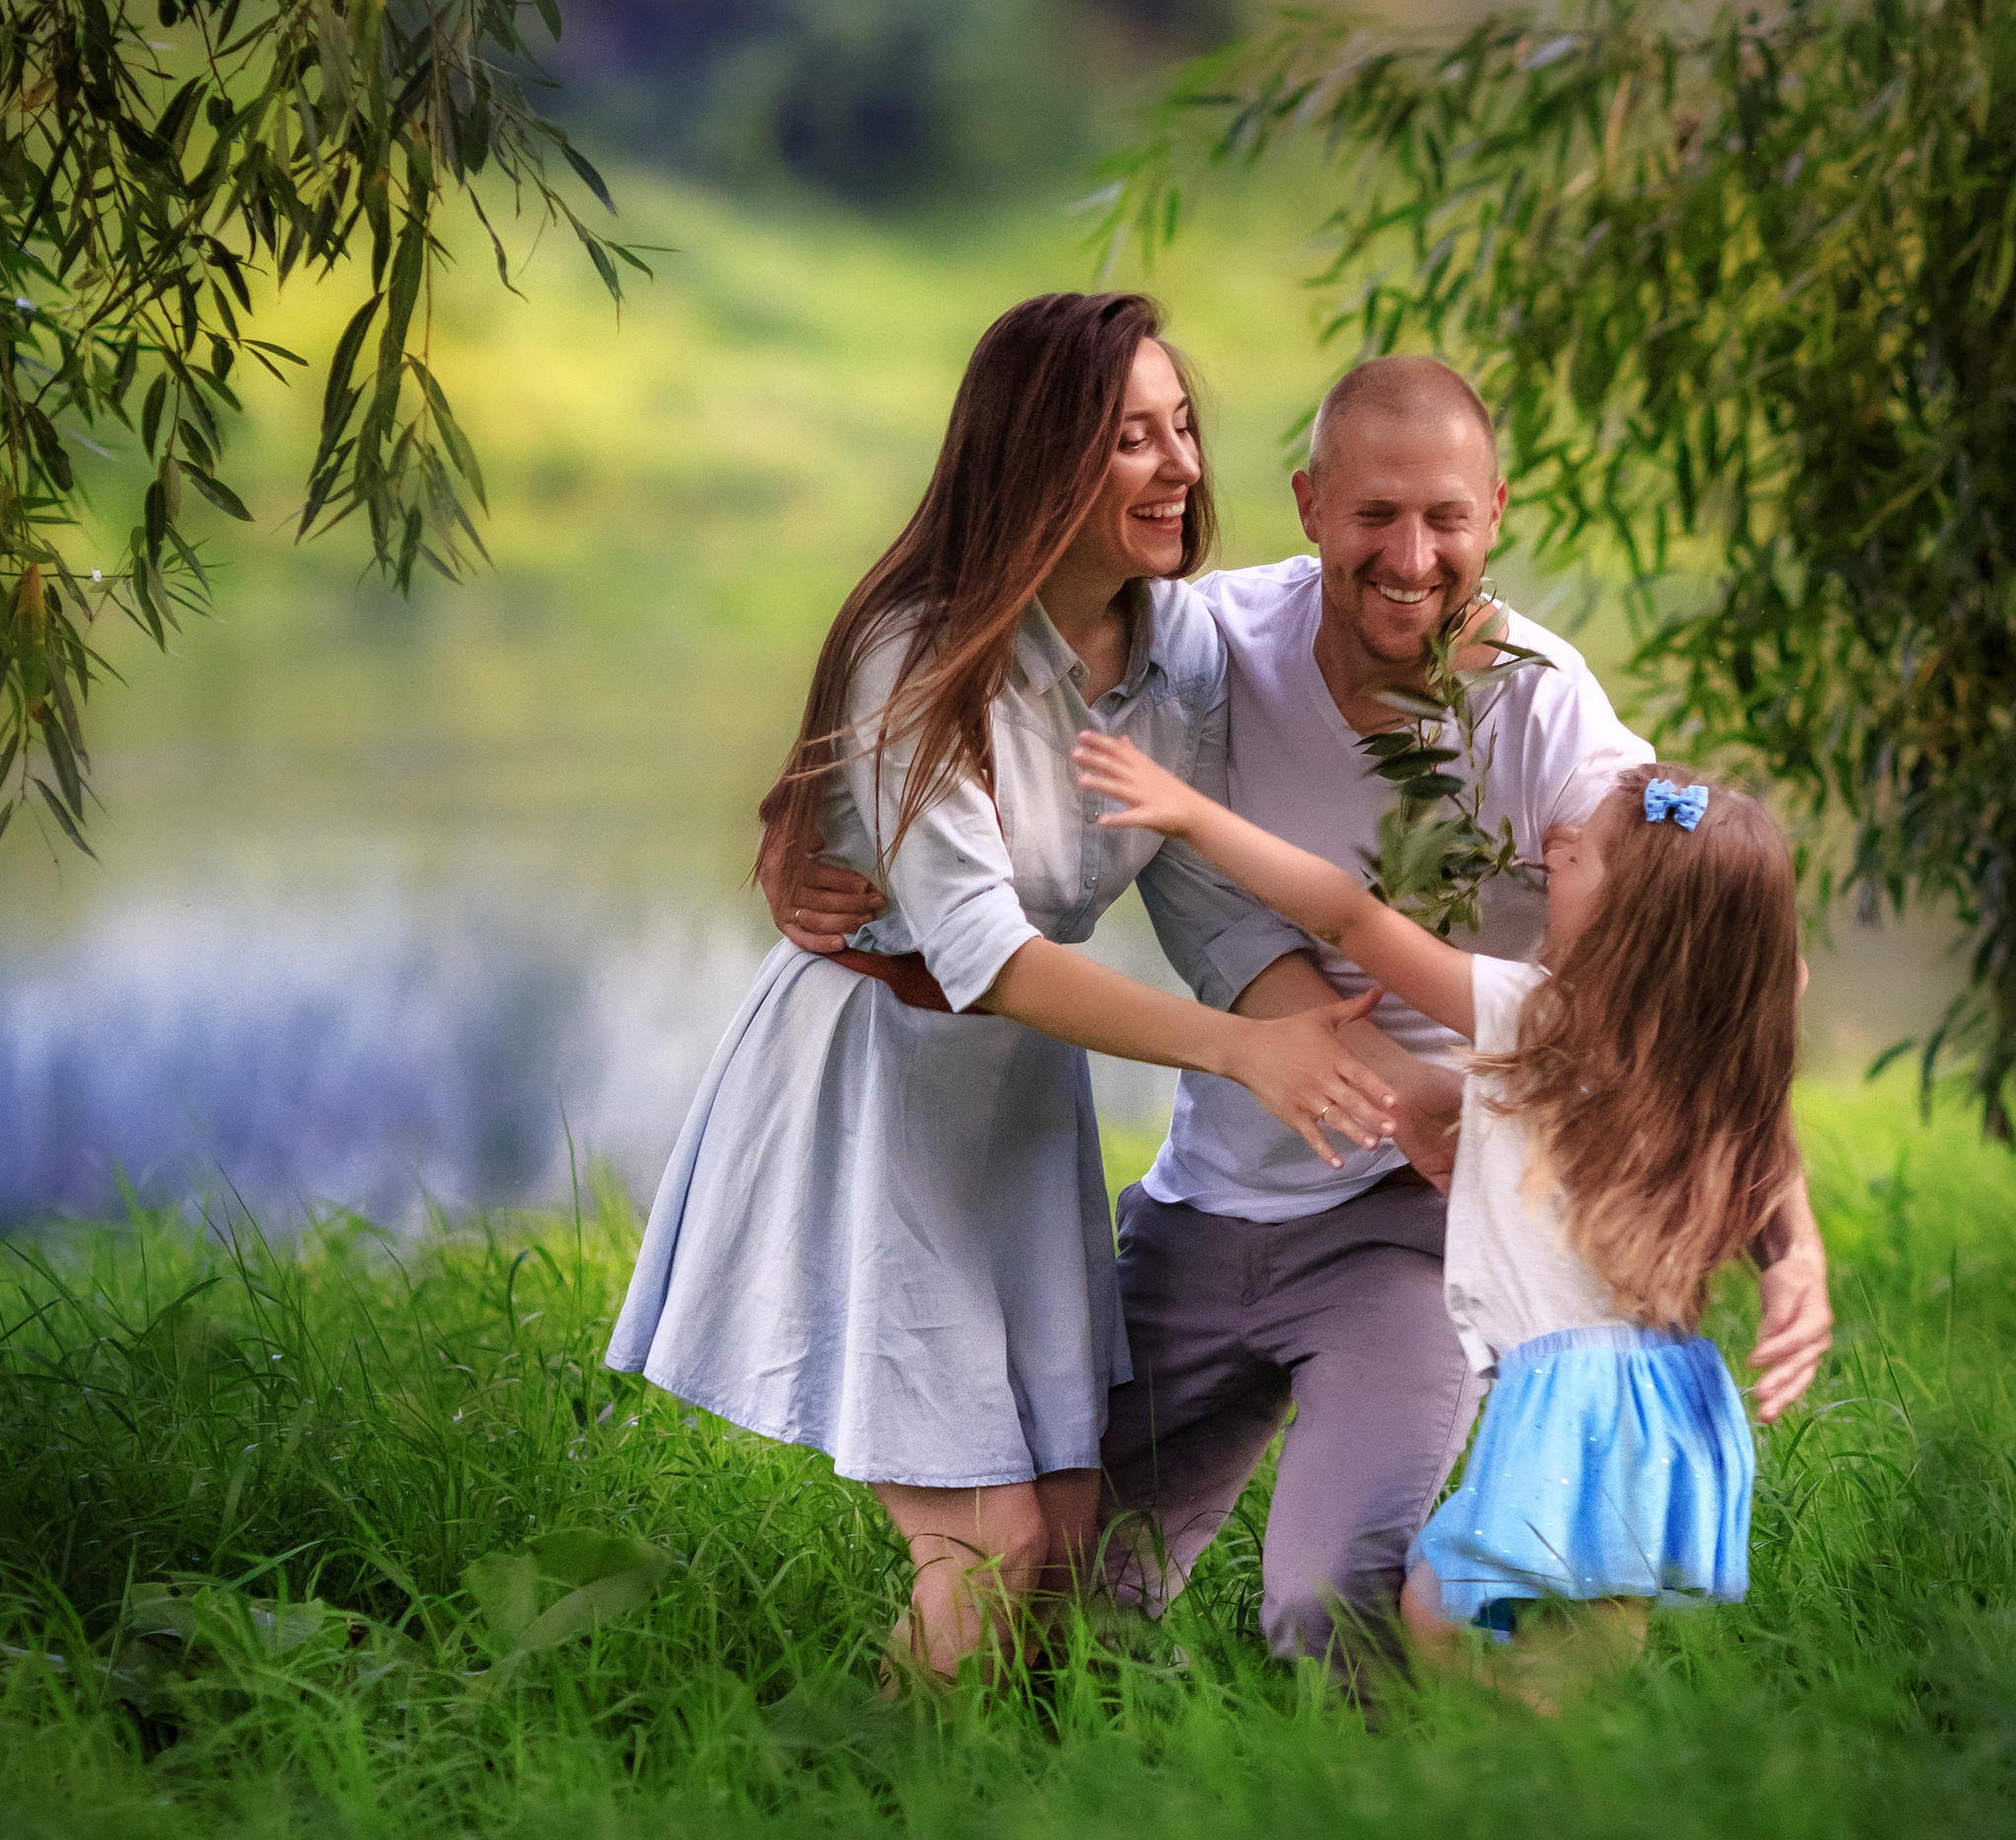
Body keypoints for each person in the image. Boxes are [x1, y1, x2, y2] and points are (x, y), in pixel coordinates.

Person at [773, 351, 1834, 1678]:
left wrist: (1790, 1243)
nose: (1411, 555)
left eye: (1446, 517)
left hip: (1408, 1225)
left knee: (1331, 1604)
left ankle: (1425, 1832)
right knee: (1049, 1599)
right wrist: (828, 854)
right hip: (1210, 1200)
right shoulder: (1206, 646)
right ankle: (884, 1780)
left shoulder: (1539, 709)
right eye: (1375, 515)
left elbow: (1725, 979)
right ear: (1310, 504)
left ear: (1494, 512)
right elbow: (995, 687)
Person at [605, 293, 1396, 1681]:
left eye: (1184, 429)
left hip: (1017, 1103)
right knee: (988, 1554)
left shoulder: (1179, 648)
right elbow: (985, 956)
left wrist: (1361, 1075)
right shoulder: (919, 649)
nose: (1180, 468)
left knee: (1073, 1548)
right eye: (1130, 440)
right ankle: (832, 1812)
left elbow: (1207, 907)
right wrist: (1236, 1055)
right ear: (1040, 458)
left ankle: (1002, 1822)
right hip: (877, 1083)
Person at [1071, 730, 1801, 1705]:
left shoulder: (1534, 1014)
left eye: (1583, 856)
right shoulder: (1702, 1048)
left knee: (1461, 1608)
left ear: (1633, 917)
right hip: (1648, 1389)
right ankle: (1546, 1752)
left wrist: (1194, 813)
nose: (1559, 843)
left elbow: (1347, 918)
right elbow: (1774, 984)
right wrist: (1796, 1263)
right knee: (1544, 1606)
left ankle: (1526, 1749)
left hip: (1575, 1392)